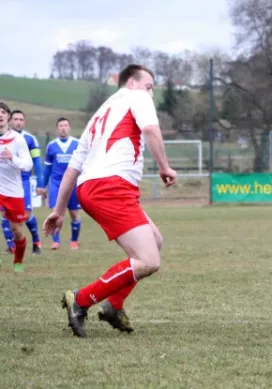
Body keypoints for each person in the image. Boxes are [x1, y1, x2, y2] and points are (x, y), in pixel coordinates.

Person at [43, 64, 177, 338]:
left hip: (96, 187)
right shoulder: (136, 97)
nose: (151, 93)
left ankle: (114, 306)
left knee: (155, 240)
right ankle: (81, 300)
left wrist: (58, 210)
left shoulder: (98, 116)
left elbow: (73, 169)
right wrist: (164, 166)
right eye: (149, 86)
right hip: (110, 187)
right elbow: (151, 130)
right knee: (149, 260)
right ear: (131, 83)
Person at [3, 110, 44, 255]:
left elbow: (37, 163)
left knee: (26, 214)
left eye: (21, 119)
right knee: (5, 214)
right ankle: (11, 245)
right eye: (15, 119)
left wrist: (40, 183)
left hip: (24, 180)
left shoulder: (30, 139)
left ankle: (36, 241)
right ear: (10, 120)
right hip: (5, 181)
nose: (18, 122)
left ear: (24, 122)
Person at [37, 117, 81, 249]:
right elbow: (48, 168)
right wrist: (43, 185)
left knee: (74, 213)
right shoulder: (52, 146)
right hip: (56, 183)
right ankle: (55, 241)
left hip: (73, 182)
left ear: (69, 127)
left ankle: (74, 241)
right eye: (61, 126)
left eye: (65, 125)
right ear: (57, 128)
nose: (63, 128)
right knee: (55, 211)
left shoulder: (77, 144)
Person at [0, 102, 33, 272]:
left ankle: (18, 259)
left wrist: (12, 157)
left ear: (8, 117)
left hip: (13, 190)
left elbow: (28, 165)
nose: (0, 115)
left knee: (16, 231)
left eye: (3, 112)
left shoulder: (17, 139)